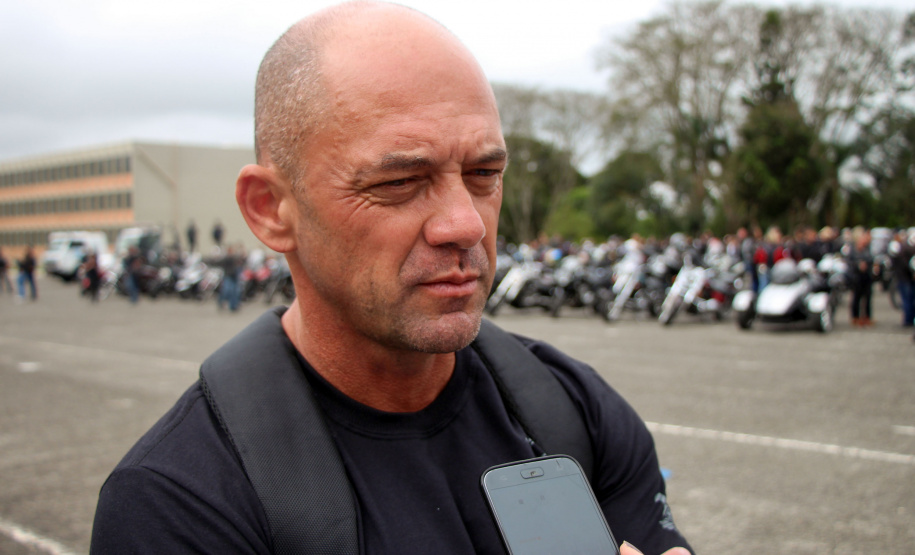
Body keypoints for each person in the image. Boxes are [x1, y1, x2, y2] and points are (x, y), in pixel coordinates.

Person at [90, 3, 692, 555]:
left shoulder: (574, 412)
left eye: (484, 173)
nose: (464, 224)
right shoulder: (182, 504)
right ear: (271, 210)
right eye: (398, 183)